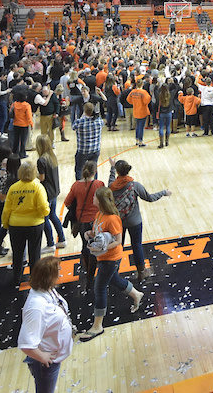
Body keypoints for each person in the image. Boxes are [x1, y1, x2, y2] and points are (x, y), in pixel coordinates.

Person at [81, 187, 144, 340]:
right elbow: (98, 233)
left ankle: (97, 326)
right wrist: (90, 234)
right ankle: (136, 294)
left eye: (95, 197)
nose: (92, 199)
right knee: (114, 279)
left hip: (111, 258)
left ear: (100, 200)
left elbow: (118, 241)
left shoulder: (112, 218)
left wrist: (103, 247)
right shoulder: (99, 214)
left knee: (100, 287)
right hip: (102, 257)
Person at [18, 255, 73, 393]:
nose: (60, 273)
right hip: (46, 364)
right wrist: (42, 357)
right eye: (58, 270)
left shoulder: (47, 289)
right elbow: (25, 344)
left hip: (53, 356)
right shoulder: (36, 307)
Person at [108, 158, 170, 281]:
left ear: (118, 172)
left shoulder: (111, 187)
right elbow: (150, 198)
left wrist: (112, 168)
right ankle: (141, 272)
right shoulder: (135, 185)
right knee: (137, 246)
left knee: (118, 247)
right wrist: (163, 192)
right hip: (135, 222)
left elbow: (110, 180)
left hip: (118, 222)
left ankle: (114, 272)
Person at [3, 159, 50, 287]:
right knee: (34, 254)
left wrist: (6, 224)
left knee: (17, 255)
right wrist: (45, 212)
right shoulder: (38, 187)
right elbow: (43, 208)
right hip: (34, 225)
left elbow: (6, 210)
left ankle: (16, 279)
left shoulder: (13, 188)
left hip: (15, 226)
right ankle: (35, 280)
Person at [63, 161, 105, 293]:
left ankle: (88, 273)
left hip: (82, 222)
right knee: (98, 247)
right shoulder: (99, 184)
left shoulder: (76, 185)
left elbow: (67, 202)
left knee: (85, 246)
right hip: (96, 221)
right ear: (95, 172)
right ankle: (93, 275)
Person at [34, 135, 66, 251]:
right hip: (54, 191)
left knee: (45, 218)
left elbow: (41, 178)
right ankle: (62, 239)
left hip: (46, 192)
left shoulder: (41, 160)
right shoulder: (52, 156)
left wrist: (33, 174)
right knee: (53, 215)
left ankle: (50, 243)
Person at [71, 95, 104, 174]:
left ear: (84, 111)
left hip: (83, 150)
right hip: (95, 149)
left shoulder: (80, 122)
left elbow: (73, 127)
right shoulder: (99, 121)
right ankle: (94, 184)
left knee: (79, 169)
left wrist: (83, 116)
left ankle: (80, 183)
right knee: (93, 169)